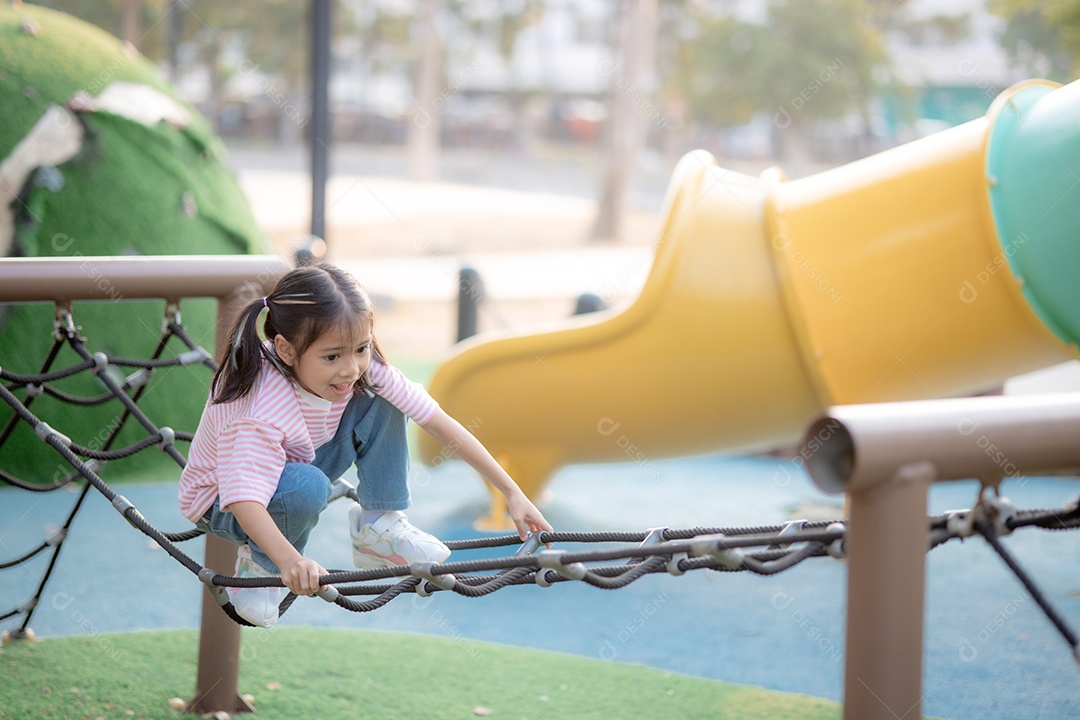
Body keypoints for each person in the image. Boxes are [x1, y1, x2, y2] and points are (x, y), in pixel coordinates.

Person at [178, 263, 552, 627]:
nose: (351, 368)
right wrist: (289, 561)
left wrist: (510, 490)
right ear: (286, 350)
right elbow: (244, 497)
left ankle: (378, 526)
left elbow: (438, 423)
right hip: (222, 499)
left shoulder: (358, 367)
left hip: (298, 465)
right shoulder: (259, 406)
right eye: (332, 357)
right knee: (307, 486)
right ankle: (261, 564)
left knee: (385, 396)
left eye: (361, 348)